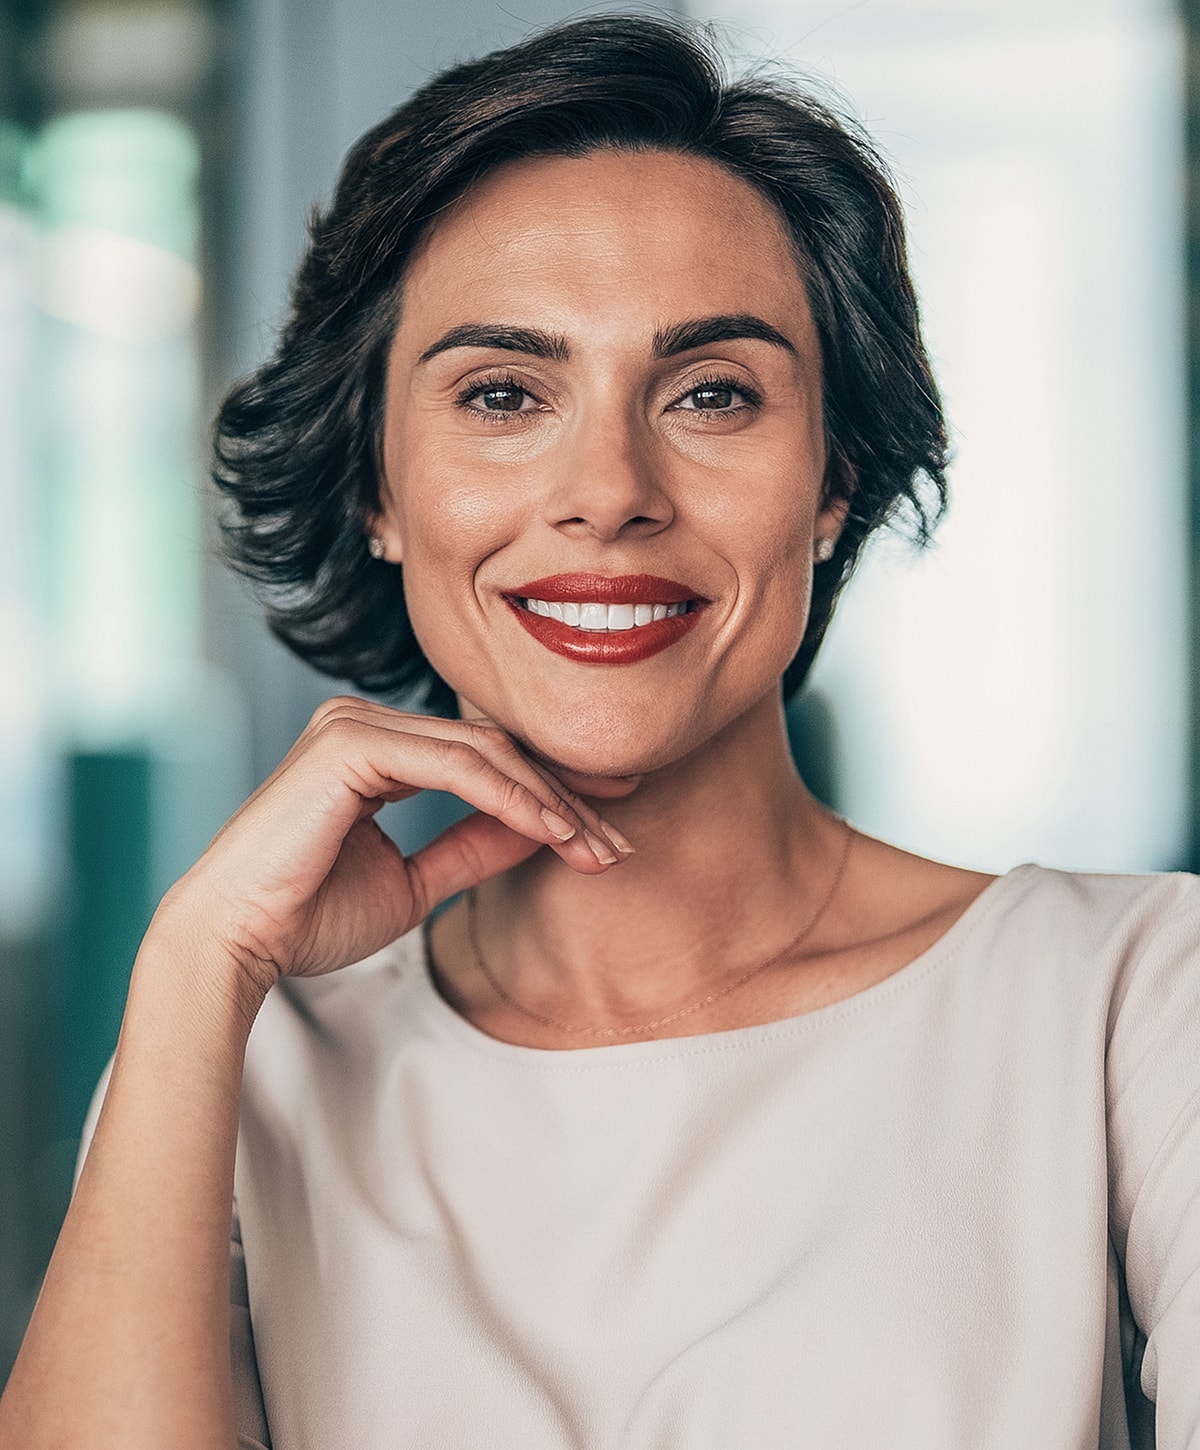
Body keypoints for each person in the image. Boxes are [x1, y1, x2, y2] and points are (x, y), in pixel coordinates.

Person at [1, 14, 1196, 1449]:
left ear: (831, 478)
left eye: (711, 393)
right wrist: (195, 962)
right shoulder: (240, 1060)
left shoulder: (1132, 1001)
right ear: (378, 487)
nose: (609, 489)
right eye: (505, 394)